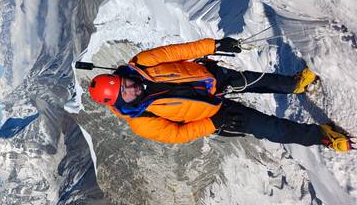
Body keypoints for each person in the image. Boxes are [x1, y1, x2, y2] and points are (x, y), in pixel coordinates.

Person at [87, 37, 353, 152]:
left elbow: (180, 51)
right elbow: (178, 134)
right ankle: (322, 136)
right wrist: (213, 124)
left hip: (209, 78)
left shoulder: (142, 63)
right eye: (125, 91)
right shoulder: (141, 122)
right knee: (271, 129)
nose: (131, 87)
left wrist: (215, 45)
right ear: (119, 101)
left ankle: (294, 85)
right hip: (215, 114)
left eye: (124, 82)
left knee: (254, 80)